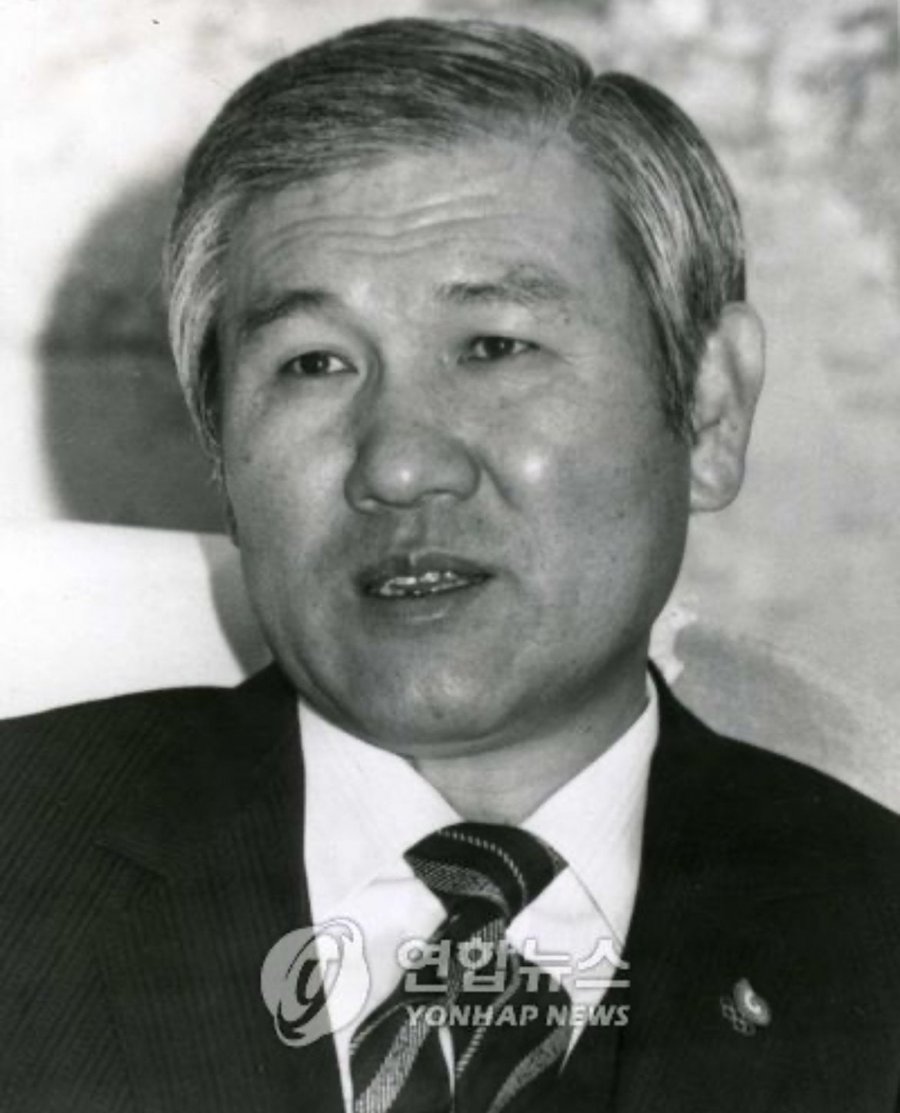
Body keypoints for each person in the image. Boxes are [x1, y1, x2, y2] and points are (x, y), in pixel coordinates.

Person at [1, 17, 898, 1113]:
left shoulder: (871, 931)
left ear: (709, 410)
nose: (399, 465)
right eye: (313, 363)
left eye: (494, 347)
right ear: (221, 448)